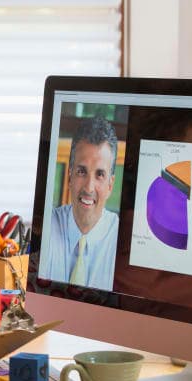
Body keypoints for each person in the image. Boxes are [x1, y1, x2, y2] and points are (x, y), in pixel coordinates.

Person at [41, 116, 119, 290]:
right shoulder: (46, 227)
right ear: (70, 176)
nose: (89, 187)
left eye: (100, 175)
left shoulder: (121, 244)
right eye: (81, 171)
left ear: (110, 185)